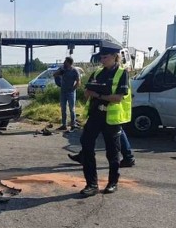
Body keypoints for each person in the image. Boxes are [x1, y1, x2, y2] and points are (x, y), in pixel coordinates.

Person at [68, 43, 131, 195]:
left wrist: (98, 95)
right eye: (101, 57)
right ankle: (91, 184)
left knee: (112, 152)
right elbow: (87, 91)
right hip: (95, 115)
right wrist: (91, 93)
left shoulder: (122, 73)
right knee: (86, 145)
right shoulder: (97, 73)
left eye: (105, 57)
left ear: (115, 56)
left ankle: (112, 182)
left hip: (111, 117)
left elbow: (117, 98)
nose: (102, 60)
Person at [53, 56, 81, 131]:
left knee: (72, 109)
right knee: (63, 108)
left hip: (70, 92)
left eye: (65, 62)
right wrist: (60, 72)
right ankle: (64, 125)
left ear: (69, 63)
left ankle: (73, 124)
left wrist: (73, 89)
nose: (63, 63)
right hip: (63, 92)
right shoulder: (62, 69)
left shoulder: (74, 71)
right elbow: (54, 75)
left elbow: (78, 82)